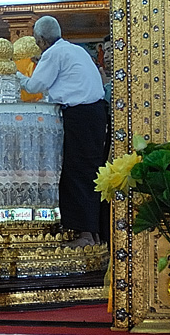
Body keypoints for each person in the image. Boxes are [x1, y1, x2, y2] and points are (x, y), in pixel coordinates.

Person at [17, 16, 107, 246]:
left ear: (40, 40)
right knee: (89, 172)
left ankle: (85, 235)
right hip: (94, 115)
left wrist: (13, 72)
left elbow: (34, 86)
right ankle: (93, 232)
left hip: (80, 116)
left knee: (76, 172)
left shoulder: (53, 53)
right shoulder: (73, 50)